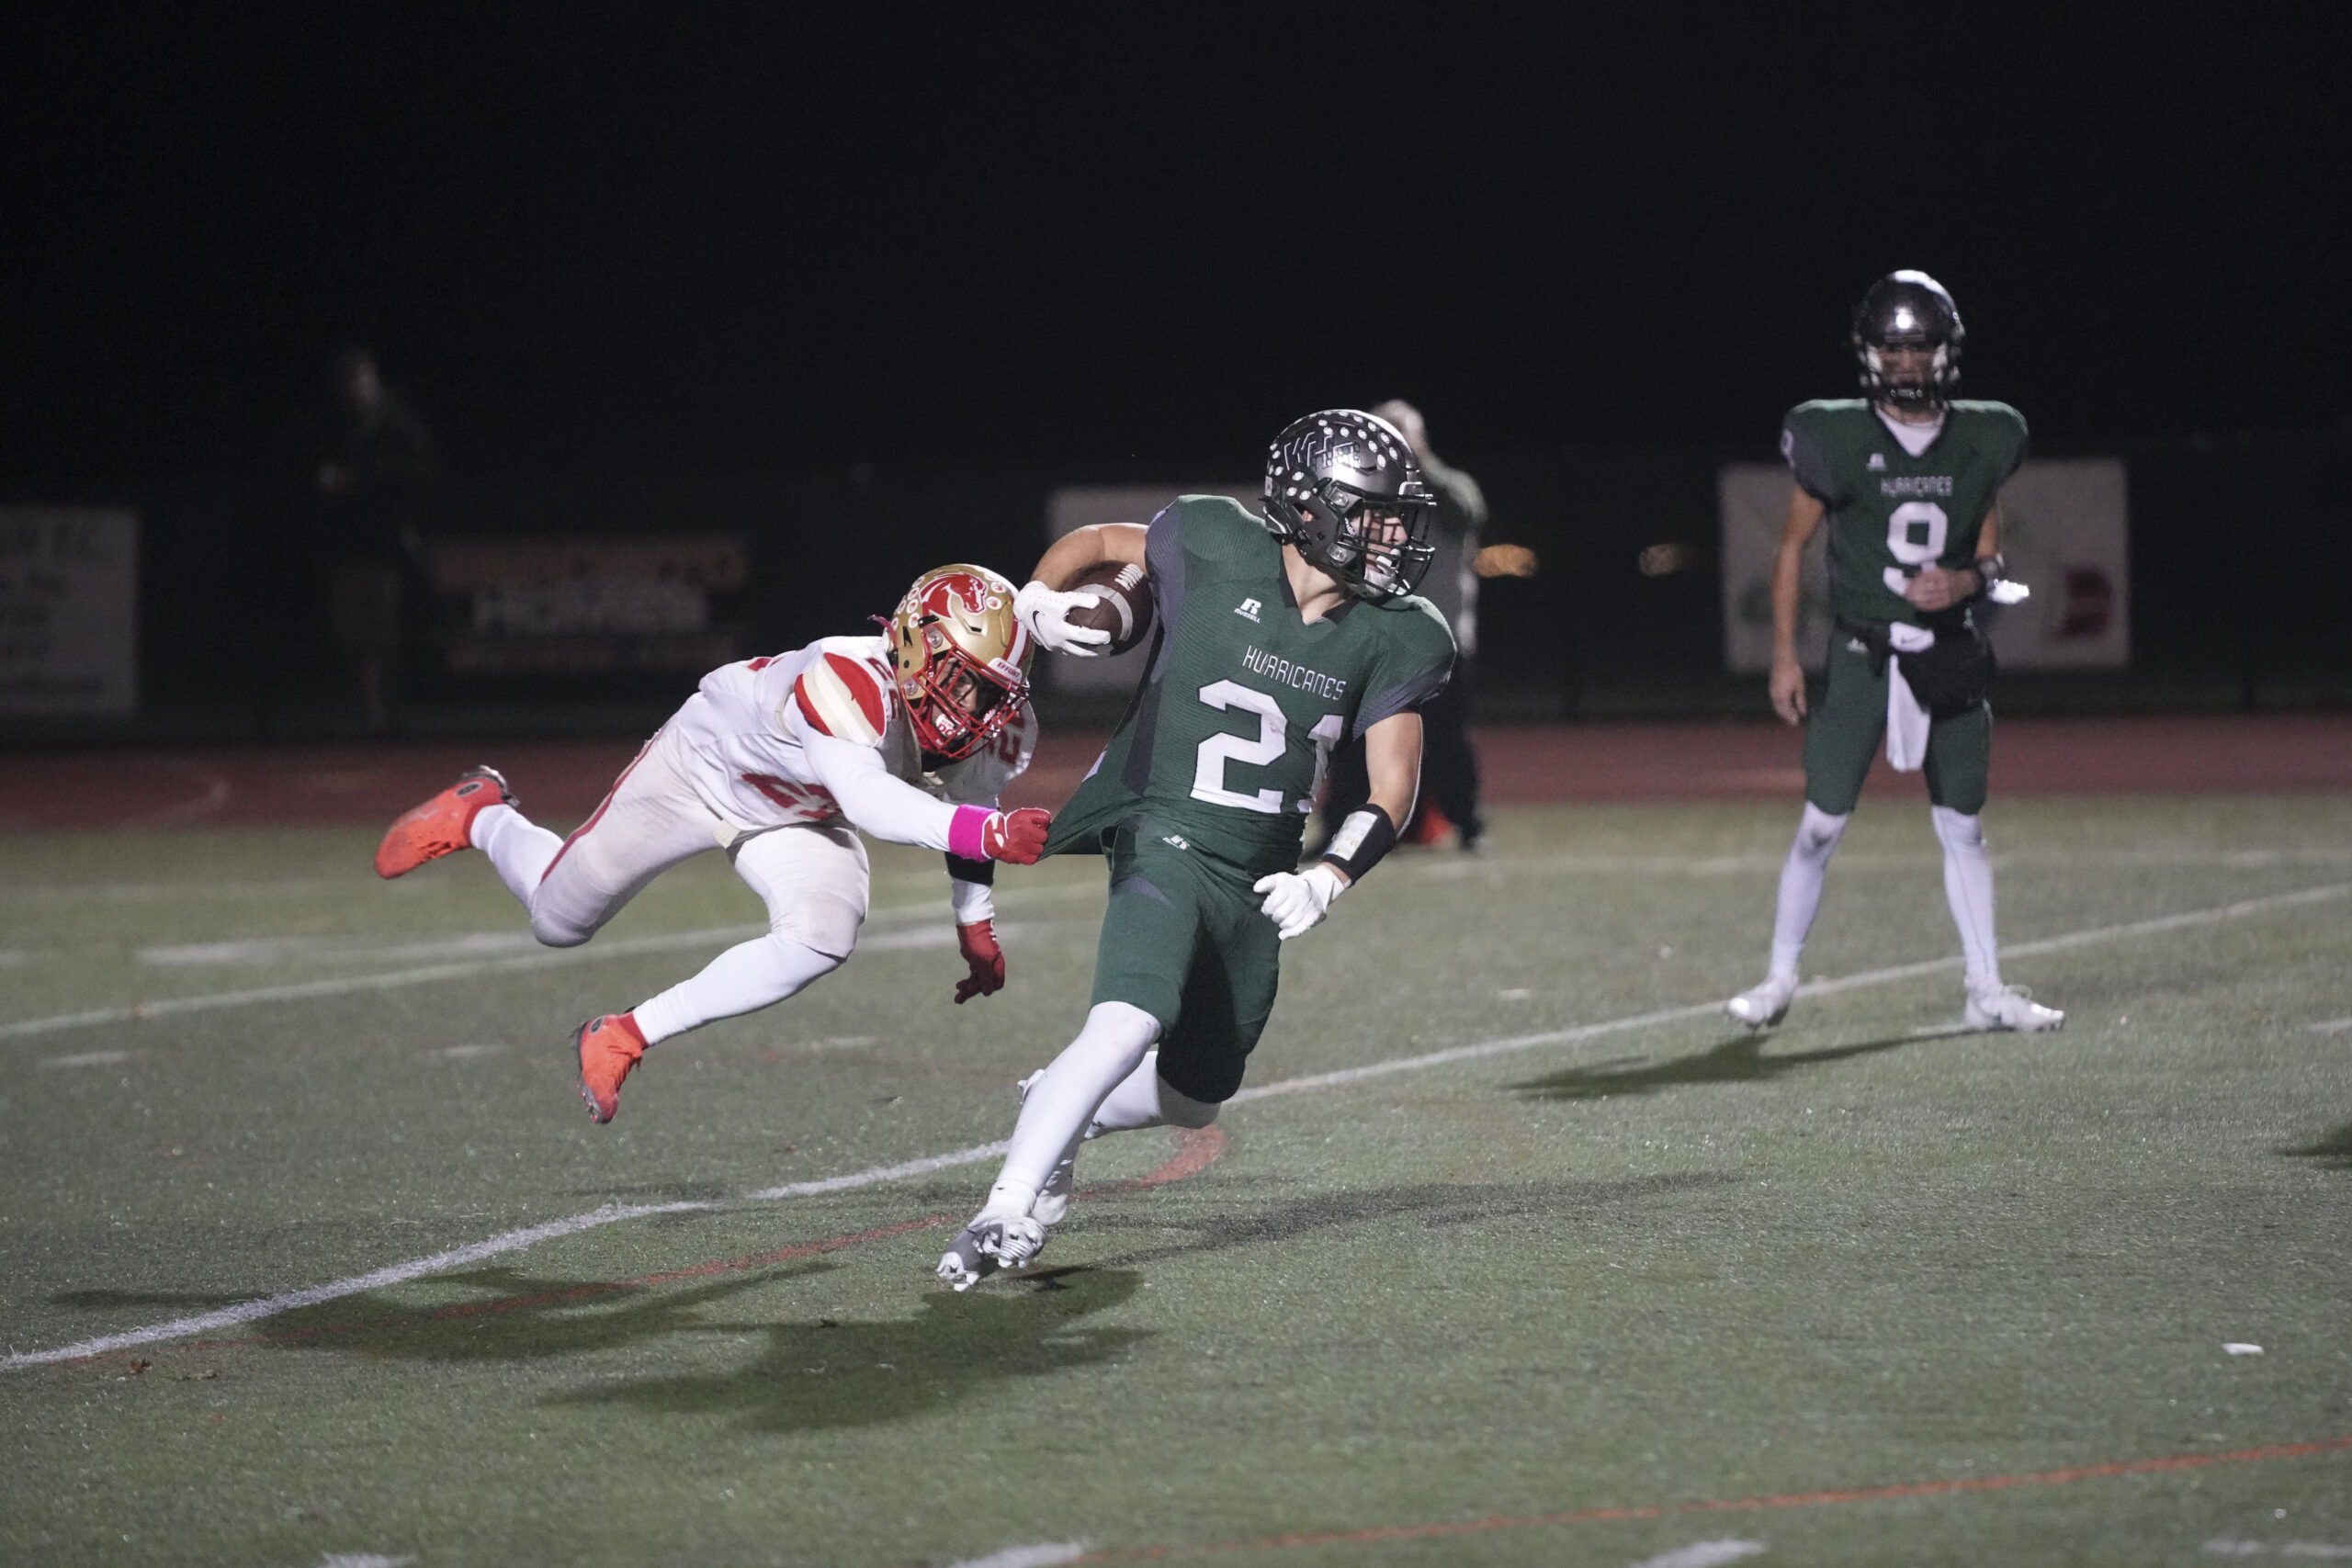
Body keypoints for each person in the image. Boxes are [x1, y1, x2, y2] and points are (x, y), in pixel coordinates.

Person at [935, 410, 1456, 1289]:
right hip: (1162, 826)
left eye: (1396, 517)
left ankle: (1064, 1105)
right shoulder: (1213, 540)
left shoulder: (1398, 631)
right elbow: (1100, 540)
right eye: (1372, 515)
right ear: (1309, 507)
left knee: (1196, 1092)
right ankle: (1004, 1208)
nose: (1392, 537)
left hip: (1259, 870)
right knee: (1126, 1017)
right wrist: (1036, 600)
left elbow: (1392, 791)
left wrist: (1330, 873)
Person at [373, 565, 1055, 1122]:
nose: (973, 709)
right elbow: (871, 802)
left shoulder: (977, 725)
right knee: (557, 920)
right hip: (700, 772)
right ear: (916, 642)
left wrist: (975, 922)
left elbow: (973, 799)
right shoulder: (846, 678)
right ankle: (482, 814)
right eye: (963, 679)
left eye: (988, 693)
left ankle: (623, 1033)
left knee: (824, 931)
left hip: (795, 811)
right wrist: (991, 835)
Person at [1724, 272, 2063, 1034]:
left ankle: (1986, 989)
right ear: (1868, 353)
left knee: (1964, 826)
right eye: (1892, 347)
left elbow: (1991, 550)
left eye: (1920, 346)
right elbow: (1790, 549)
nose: (1907, 361)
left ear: (1945, 352)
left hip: (1946, 650)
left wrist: (1970, 577)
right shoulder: (1834, 435)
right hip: (1864, 650)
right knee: (1820, 824)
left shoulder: (1986, 434)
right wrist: (1783, 655)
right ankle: (1779, 978)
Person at [1313, 399, 1489, 852]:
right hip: (1379, 640)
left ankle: (1468, 826)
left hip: (1440, 639)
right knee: (1354, 741)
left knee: (1448, 742)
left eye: (1397, 433)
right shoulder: (1366, 491)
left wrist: (1416, 463)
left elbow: (1467, 511)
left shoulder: (1450, 487)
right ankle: (1338, 830)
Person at [312, 348, 438, 733]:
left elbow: (419, 471)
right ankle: (367, 715)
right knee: (353, 636)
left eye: (364, 380)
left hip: (387, 548)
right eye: (351, 382)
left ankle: (389, 714)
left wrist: (361, 479)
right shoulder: (334, 427)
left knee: (386, 635)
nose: (358, 389)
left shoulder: (395, 424)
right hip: (347, 548)